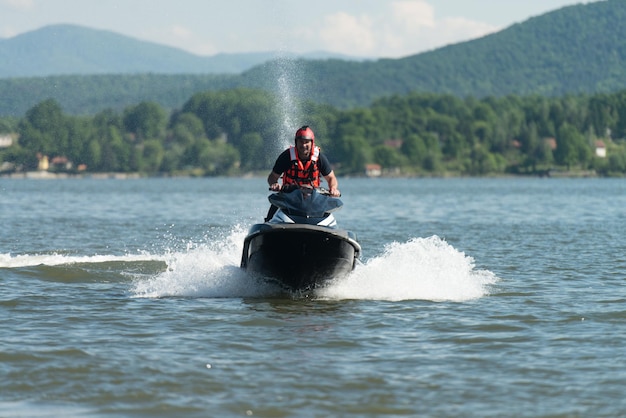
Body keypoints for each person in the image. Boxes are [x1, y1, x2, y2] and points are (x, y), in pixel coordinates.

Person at [265, 125, 340, 221]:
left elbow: (331, 178)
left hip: (313, 198)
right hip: (288, 197)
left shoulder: (319, 158)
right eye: (301, 142)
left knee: (327, 216)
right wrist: (274, 184)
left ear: (312, 143)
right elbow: (272, 177)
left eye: (306, 142)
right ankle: (268, 224)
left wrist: (333, 188)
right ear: (296, 142)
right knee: (271, 215)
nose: (304, 145)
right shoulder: (286, 156)